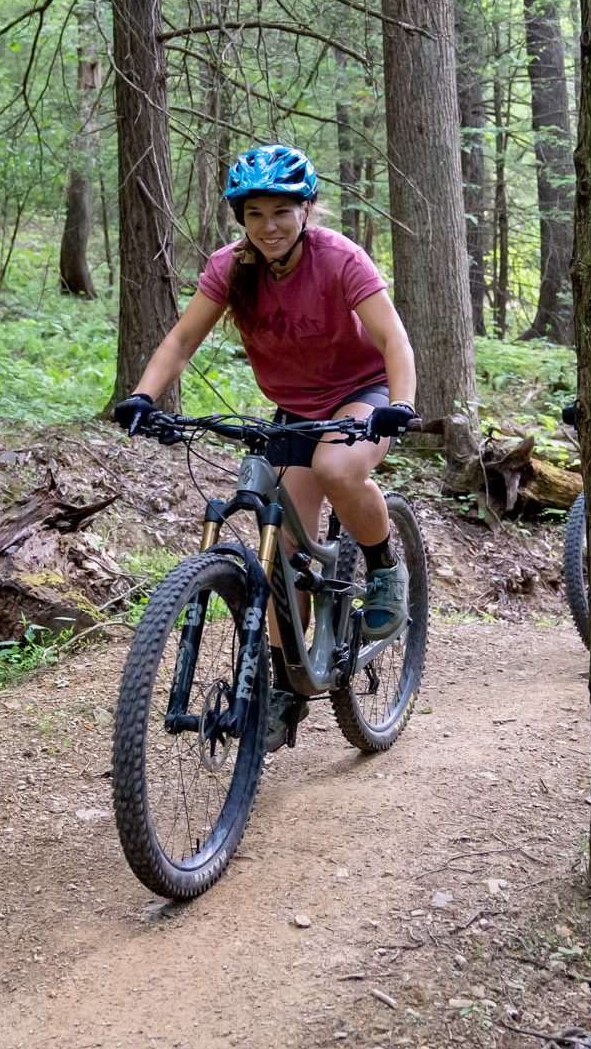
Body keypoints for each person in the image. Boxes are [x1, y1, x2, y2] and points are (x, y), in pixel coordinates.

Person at [112, 145, 417, 745]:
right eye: (255, 213)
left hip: (361, 393)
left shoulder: (338, 258)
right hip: (294, 409)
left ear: (306, 209)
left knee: (335, 466)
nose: (269, 226)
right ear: (241, 218)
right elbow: (179, 341)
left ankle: (384, 566)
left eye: (282, 210)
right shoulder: (232, 267)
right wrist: (143, 397)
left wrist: (400, 405)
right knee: (285, 560)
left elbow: (394, 338)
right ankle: (286, 685)